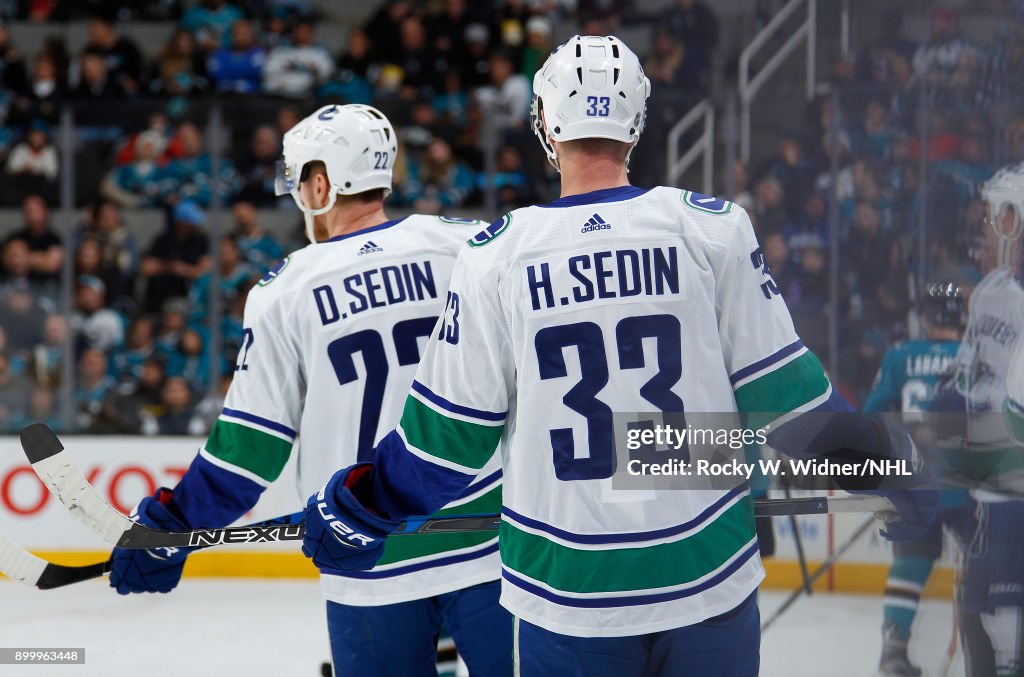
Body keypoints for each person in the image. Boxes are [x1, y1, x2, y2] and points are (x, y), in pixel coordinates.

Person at [299, 36, 937, 676]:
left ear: (546, 123)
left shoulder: (496, 256)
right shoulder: (711, 228)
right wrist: (888, 464)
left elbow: (445, 446)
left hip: (566, 596)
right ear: (635, 122)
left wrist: (358, 503)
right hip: (705, 576)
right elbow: (793, 413)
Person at [107, 104, 511, 676]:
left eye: (300, 181)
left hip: (366, 558)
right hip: (492, 548)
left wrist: (175, 522)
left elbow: (247, 455)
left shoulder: (286, 290)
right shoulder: (468, 246)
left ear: (322, 184)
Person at [863, 282, 965, 677]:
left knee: (911, 564)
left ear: (923, 317)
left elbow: (872, 416)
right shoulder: (976, 355)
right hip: (968, 485)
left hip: (913, 484)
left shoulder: (901, 355)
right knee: (981, 568)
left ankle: (894, 649)